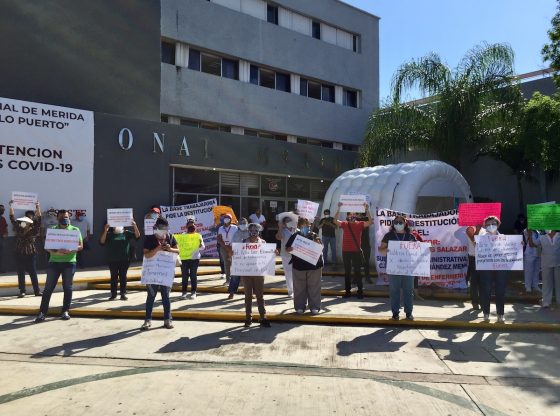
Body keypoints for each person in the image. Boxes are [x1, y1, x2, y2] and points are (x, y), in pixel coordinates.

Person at [35, 210, 83, 322]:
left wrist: (71, 249)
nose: (64, 218)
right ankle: (42, 312)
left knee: (68, 287)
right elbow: (47, 247)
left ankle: (65, 311)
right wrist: (56, 252)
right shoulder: (52, 230)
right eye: (61, 217)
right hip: (54, 262)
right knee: (48, 288)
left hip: (69, 263)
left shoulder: (75, 230)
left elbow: (80, 246)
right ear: (57, 218)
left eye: (65, 216)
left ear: (69, 217)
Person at [141, 218, 179, 330]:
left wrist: (170, 249)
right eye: (162, 229)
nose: (164, 232)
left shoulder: (170, 237)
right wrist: (157, 248)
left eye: (166, 229)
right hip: (152, 273)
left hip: (165, 273)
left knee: (166, 297)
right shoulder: (150, 239)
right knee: (151, 296)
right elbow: (146, 255)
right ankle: (147, 320)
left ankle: (168, 320)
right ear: (156, 228)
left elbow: (178, 251)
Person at [378, 215, 418, 320]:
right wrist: (386, 249)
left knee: (408, 291)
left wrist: (427, 249)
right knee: (394, 291)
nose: (399, 224)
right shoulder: (388, 235)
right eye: (396, 222)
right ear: (393, 224)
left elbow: (418, 250)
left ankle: (409, 312)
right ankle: (395, 313)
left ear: (405, 224)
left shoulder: (411, 236)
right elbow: (381, 251)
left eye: (401, 222)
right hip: (393, 268)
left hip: (408, 268)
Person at [333, 202, 372, 299]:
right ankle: (347, 291)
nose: (352, 215)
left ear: (356, 216)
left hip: (356, 251)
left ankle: (360, 291)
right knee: (347, 272)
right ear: (347, 216)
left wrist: (367, 210)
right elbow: (334, 220)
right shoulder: (344, 224)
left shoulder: (360, 224)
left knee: (358, 272)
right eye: (350, 214)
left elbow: (370, 222)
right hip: (346, 251)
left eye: (354, 214)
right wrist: (339, 209)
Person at [285, 217, 323, 314]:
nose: (307, 226)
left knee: (314, 287)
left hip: (314, 266)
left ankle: (314, 307)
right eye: (304, 224)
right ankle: (300, 307)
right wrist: (292, 248)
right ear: (299, 226)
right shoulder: (294, 236)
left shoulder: (314, 235)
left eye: (308, 224)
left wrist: (317, 243)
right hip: (299, 266)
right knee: (299, 288)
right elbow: (287, 249)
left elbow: (321, 249)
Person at [476, 216, 508, 323]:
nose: (491, 226)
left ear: (498, 224)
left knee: (500, 291)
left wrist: (519, 245)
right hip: (486, 268)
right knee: (486, 290)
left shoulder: (504, 238)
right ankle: (486, 313)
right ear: (485, 226)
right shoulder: (481, 238)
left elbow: (510, 252)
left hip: (501, 268)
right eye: (488, 224)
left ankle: (500, 314)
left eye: (493, 224)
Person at [99, 219, 141, 300]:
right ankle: (113, 294)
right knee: (113, 276)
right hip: (112, 259)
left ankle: (123, 293)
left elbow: (138, 236)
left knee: (123, 276)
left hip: (125, 259)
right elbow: (102, 242)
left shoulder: (127, 233)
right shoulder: (109, 234)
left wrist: (135, 226)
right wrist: (105, 230)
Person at [9, 200, 42, 297]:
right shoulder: (19, 228)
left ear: (30, 223)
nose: (25, 223)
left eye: (27, 222)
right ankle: (22, 291)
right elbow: (11, 218)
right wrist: (11, 206)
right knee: (21, 273)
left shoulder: (34, 230)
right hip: (19, 253)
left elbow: (39, 218)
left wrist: (38, 207)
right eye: (24, 221)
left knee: (33, 272)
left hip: (31, 253)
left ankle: (37, 291)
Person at [241, 223, 271, 328]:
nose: (254, 232)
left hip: (259, 272)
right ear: (248, 231)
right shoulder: (243, 242)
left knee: (260, 296)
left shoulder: (263, 242)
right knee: (248, 296)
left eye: (256, 230)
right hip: (246, 273)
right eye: (251, 230)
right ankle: (248, 318)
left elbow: (267, 256)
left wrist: (273, 252)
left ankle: (263, 317)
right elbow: (239, 256)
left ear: (259, 232)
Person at [528, 229, 560, 309]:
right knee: (546, 282)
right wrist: (529, 234)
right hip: (546, 263)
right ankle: (546, 302)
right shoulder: (542, 237)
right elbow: (532, 244)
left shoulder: (559, 235)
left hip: (558, 263)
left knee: (558, 282)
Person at [179, 217, 205, 299]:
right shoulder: (182, 236)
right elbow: (179, 246)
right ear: (186, 227)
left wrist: (200, 246)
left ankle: (194, 292)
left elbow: (203, 247)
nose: (191, 227)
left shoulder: (198, 236)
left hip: (194, 259)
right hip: (184, 258)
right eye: (189, 226)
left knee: (193, 275)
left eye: (192, 226)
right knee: (184, 276)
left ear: (195, 227)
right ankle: (184, 292)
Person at [228, 217, 249, 299]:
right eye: (241, 223)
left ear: (247, 223)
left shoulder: (251, 232)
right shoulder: (235, 233)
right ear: (238, 224)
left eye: (244, 223)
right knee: (235, 276)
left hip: (249, 258)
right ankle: (232, 292)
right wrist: (230, 256)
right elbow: (231, 245)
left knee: (249, 276)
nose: (243, 225)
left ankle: (250, 293)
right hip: (237, 257)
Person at [275, 215, 296, 298]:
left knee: (296, 274)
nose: (289, 222)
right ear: (284, 223)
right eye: (287, 221)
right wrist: (280, 227)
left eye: (290, 220)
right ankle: (290, 291)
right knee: (288, 273)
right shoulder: (283, 231)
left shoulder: (296, 230)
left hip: (296, 256)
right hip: (286, 255)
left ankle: (296, 290)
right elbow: (278, 237)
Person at [217, 213, 238, 283]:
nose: (226, 219)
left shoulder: (235, 227)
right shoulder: (220, 228)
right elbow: (219, 239)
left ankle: (235, 279)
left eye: (228, 218)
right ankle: (228, 280)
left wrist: (231, 247)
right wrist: (226, 247)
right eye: (225, 218)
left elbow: (237, 238)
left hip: (233, 247)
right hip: (223, 247)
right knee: (226, 263)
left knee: (234, 263)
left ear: (231, 219)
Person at [465, 225, 482, 309]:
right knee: (474, 281)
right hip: (474, 258)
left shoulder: (488, 228)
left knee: (484, 281)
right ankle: (475, 301)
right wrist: (478, 228)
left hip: (485, 258)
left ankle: (483, 301)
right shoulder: (470, 228)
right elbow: (474, 241)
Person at [523, 228, 541, 294]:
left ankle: (535, 285)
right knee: (529, 270)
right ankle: (528, 286)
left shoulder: (538, 231)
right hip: (529, 253)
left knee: (536, 270)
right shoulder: (527, 230)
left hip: (538, 253)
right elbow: (530, 244)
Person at [0, 204, 7, 273]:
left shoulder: (3, 218)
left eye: (3, 209)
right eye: (1, 209)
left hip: (1, 239)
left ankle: (1, 269)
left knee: (1, 255)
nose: (3, 210)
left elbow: (5, 227)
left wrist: (6, 233)